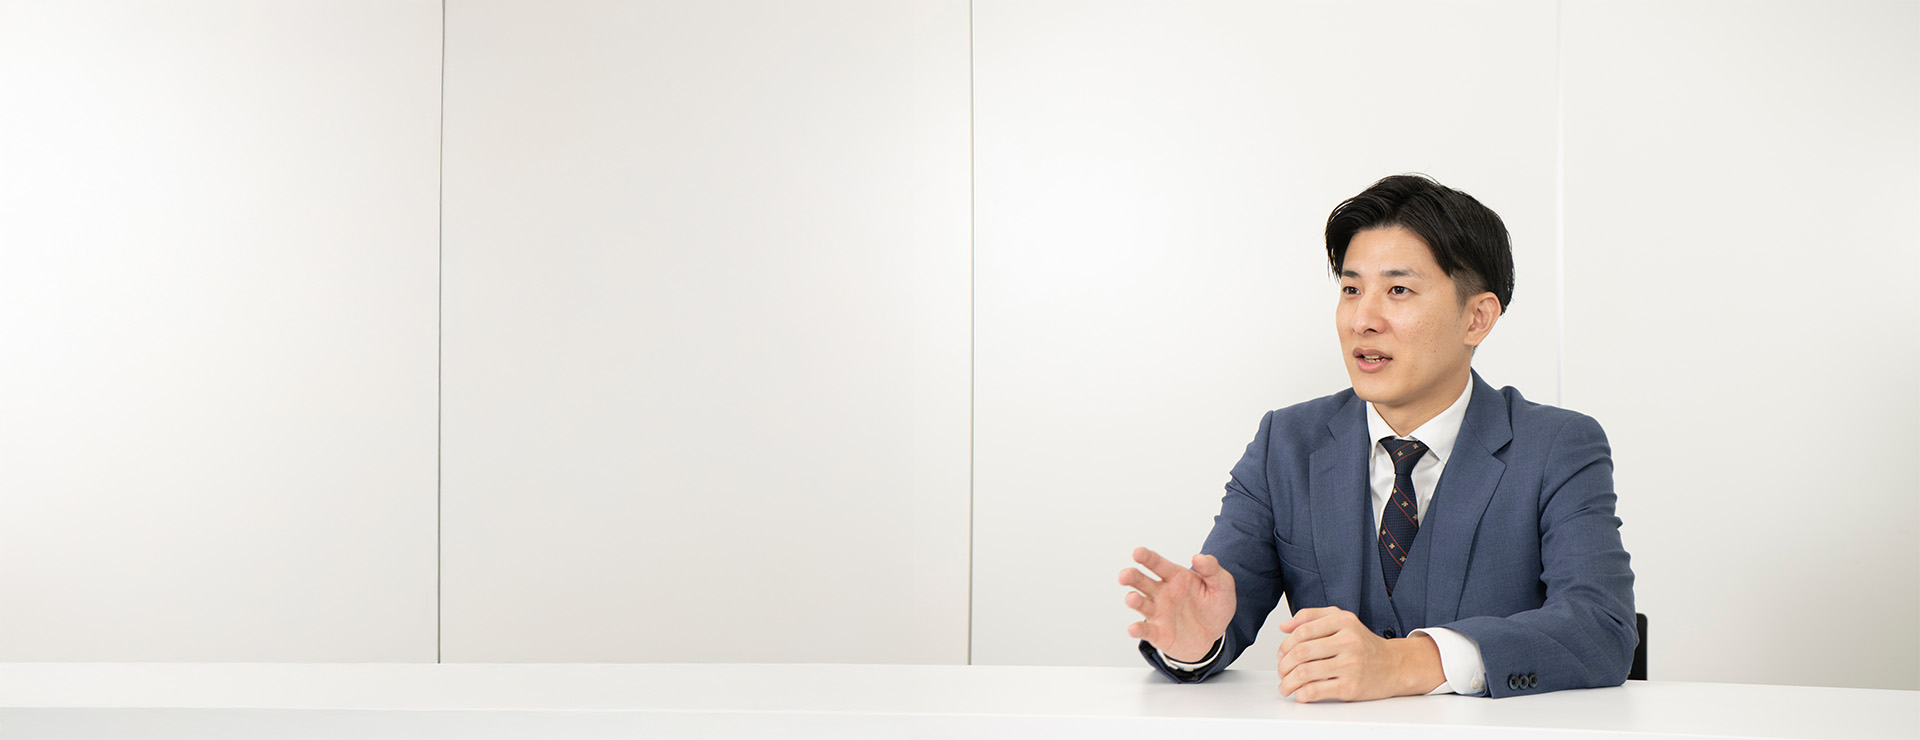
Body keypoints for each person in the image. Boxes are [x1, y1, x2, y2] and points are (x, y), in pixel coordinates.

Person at [1118, 174, 1635, 701]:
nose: (1362, 320)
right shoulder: (1286, 443)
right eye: (1351, 290)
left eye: (1398, 290)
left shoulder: (1557, 447)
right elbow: (1221, 607)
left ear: (1477, 318)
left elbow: (1601, 627)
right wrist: (1196, 641)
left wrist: (1408, 662)